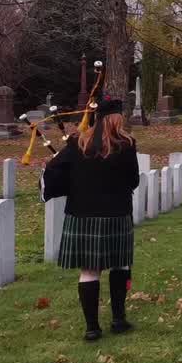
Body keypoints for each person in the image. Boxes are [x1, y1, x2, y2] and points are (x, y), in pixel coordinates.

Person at [42, 98, 140, 341]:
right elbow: (134, 181)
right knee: (120, 265)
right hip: (116, 214)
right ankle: (118, 320)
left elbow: (54, 169)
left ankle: (92, 328)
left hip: (82, 214)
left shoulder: (78, 142)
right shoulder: (126, 144)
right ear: (117, 118)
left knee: (89, 271)